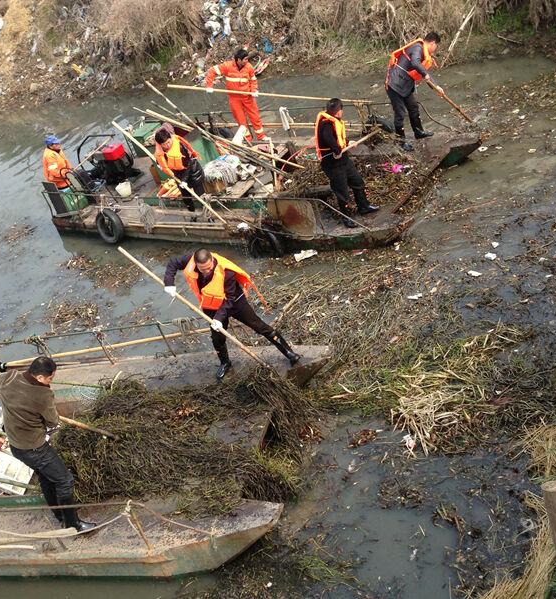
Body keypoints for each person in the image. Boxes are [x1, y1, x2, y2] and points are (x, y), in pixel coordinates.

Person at [0, 357, 96, 533]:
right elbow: (52, 421)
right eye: (50, 379)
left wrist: (6, 395)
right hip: (35, 448)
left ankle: (60, 516)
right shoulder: (43, 394)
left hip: (17, 447)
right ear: (40, 377)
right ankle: (74, 525)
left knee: (46, 478)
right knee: (65, 481)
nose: (50, 382)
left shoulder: (9, 377)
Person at [164, 248, 300, 380]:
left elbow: (229, 299)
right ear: (196, 263)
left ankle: (289, 353)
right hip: (211, 306)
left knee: (259, 326)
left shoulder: (226, 271)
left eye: (209, 268)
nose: (206, 271)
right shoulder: (190, 260)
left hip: (234, 302)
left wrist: (219, 318)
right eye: (202, 269)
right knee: (217, 338)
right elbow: (172, 263)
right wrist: (169, 283)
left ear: (212, 260)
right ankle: (225, 363)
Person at [315, 98, 379, 229]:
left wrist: (348, 142)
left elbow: (339, 137)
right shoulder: (326, 124)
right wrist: (337, 150)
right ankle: (346, 218)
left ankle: (364, 206)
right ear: (338, 111)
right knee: (342, 192)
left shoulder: (335, 121)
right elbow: (328, 138)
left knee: (358, 182)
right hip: (332, 164)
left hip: (344, 160)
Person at [384, 32, 445, 151]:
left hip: (405, 86)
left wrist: (437, 87)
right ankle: (401, 143)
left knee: (413, 107)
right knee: (400, 113)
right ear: (432, 43)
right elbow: (415, 63)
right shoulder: (417, 48)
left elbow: (424, 73)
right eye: (436, 46)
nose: (435, 49)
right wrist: (425, 74)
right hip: (394, 85)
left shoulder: (422, 51)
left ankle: (418, 132)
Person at [205, 48, 266, 143]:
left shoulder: (249, 67)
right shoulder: (227, 66)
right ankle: (248, 140)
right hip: (234, 99)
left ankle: (261, 136)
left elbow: (253, 80)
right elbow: (212, 71)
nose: (247, 61)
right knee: (241, 121)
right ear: (238, 60)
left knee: (255, 117)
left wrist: (254, 90)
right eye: (245, 59)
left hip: (247, 96)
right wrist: (209, 85)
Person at [154, 123, 205, 213]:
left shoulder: (180, 147)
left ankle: (208, 214)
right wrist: (159, 165)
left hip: (193, 172)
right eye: (164, 145)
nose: (167, 146)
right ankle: (192, 213)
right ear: (160, 145)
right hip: (178, 175)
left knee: (201, 196)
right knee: (186, 197)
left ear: (170, 138)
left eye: (168, 142)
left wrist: (185, 180)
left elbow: (189, 163)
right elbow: (159, 160)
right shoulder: (160, 151)